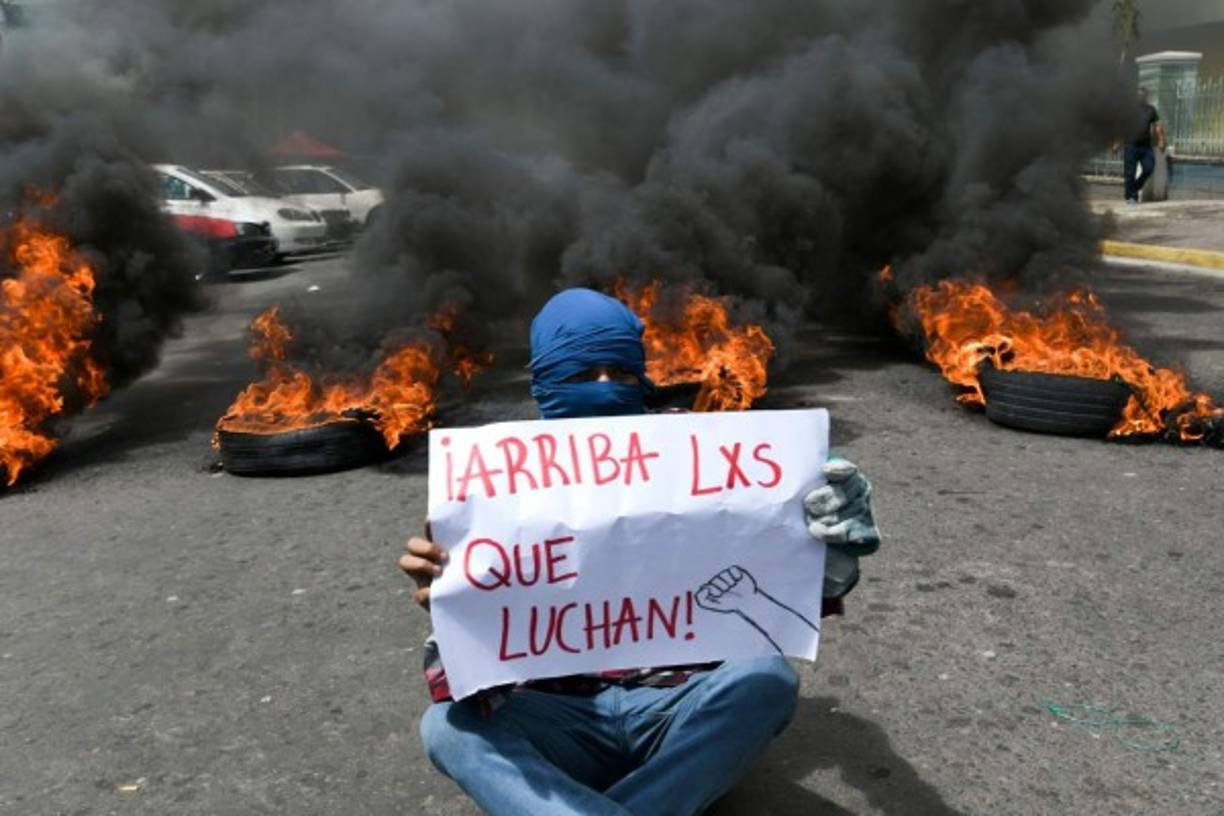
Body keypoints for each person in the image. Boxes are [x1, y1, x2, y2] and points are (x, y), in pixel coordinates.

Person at [399, 288, 881, 816]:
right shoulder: (493, 482)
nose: (606, 389)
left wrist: (830, 547)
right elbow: (466, 686)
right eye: (582, 375)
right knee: (448, 729)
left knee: (767, 680)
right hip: (561, 719)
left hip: (678, 711)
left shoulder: (707, 452)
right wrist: (453, 607)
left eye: (622, 373)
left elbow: (794, 589)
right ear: (542, 381)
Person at [1123, 87, 1167, 205]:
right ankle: (1131, 197)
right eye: (1138, 96)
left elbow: (1158, 125)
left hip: (1145, 147)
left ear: (1145, 97)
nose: (1140, 98)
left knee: (1149, 167)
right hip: (1130, 145)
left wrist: (1161, 140)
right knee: (1130, 173)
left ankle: (1134, 188)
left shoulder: (1151, 110)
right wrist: (1116, 143)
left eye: (1142, 96)